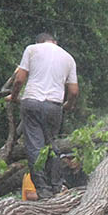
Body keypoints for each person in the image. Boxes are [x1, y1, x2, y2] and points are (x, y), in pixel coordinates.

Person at [6, 33, 78, 200]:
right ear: (55, 42)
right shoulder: (68, 58)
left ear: (38, 41)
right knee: (51, 145)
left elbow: (19, 80)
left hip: (31, 102)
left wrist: (15, 97)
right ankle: (57, 186)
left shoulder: (32, 50)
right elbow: (74, 91)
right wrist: (68, 105)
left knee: (35, 147)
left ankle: (43, 190)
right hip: (54, 106)